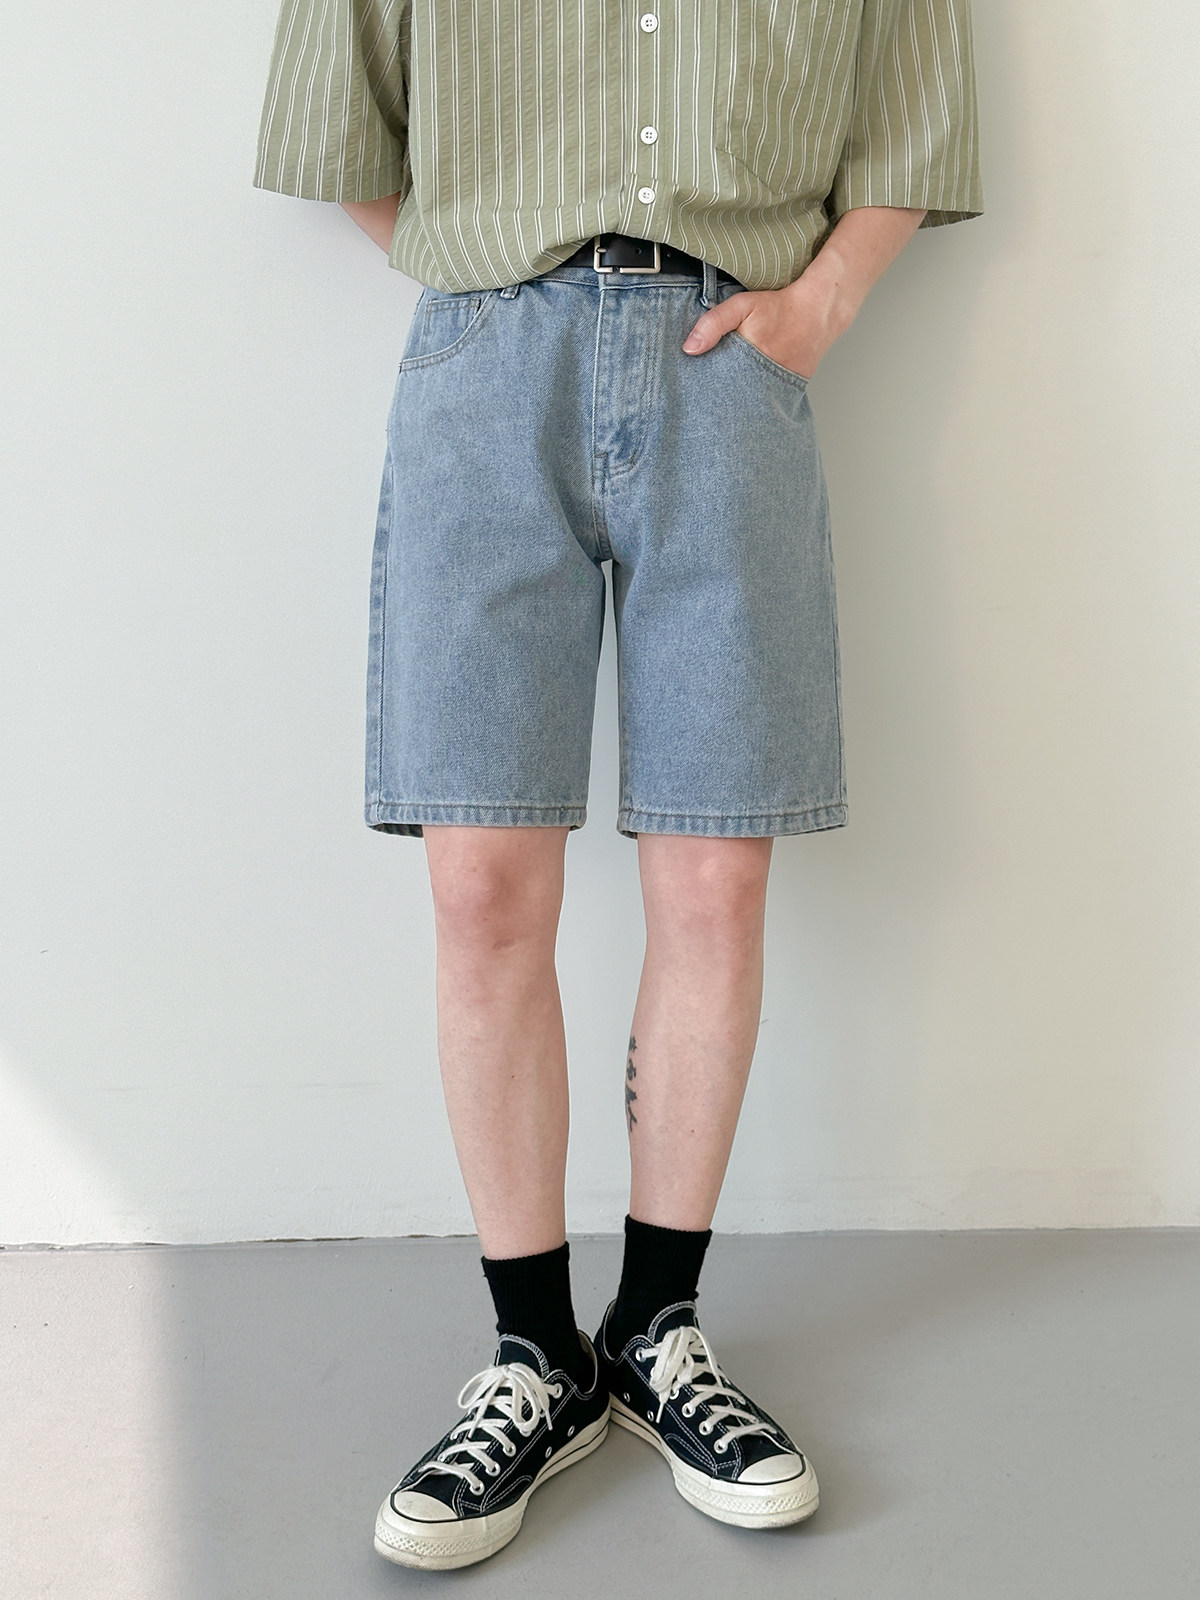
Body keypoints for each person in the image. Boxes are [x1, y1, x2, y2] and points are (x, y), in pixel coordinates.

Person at [253, 0, 982, 1571]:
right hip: (483, 369)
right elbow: (333, 127)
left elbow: (915, 120)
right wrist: (490, 271)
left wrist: (824, 301)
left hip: (732, 368)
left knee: (716, 871)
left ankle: (658, 1328)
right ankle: (535, 1355)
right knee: (479, 884)